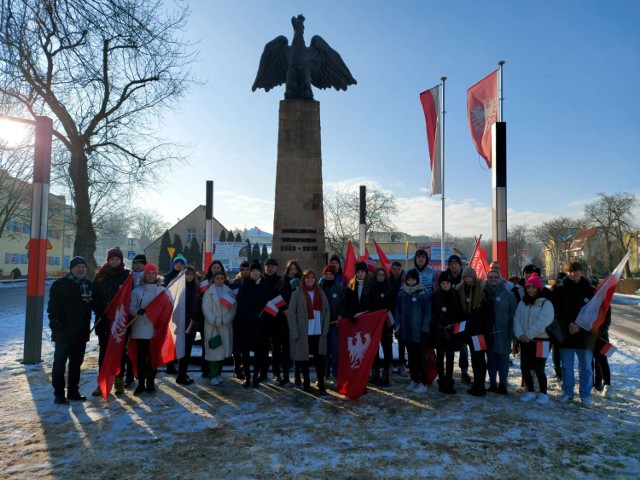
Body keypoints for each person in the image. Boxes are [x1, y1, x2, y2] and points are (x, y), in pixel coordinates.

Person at [49, 256, 92, 404]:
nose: (80, 269)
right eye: (77, 266)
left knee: (76, 364)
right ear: (71, 268)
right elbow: (53, 310)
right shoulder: (60, 284)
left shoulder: (87, 284)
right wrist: (56, 330)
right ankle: (59, 394)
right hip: (63, 332)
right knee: (59, 364)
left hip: (80, 333)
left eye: (83, 267)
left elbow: (92, 307)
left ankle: (73, 391)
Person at [552, 261, 596, 408]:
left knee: (586, 367)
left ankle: (585, 395)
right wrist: (569, 323)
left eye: (576, 271)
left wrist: (581, 326)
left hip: (585, 336)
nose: (573, 274)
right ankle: (568, 392)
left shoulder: (591, 291)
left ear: (581, 272)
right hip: (567, 334)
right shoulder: (560, 290)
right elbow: (557, 312)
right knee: (567, 366)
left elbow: (596, 313)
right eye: (570, 271)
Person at [90, 247, 130, 396]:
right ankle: (102, 382)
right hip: (103, 319)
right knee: (104, 352)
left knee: (120, 352)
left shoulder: (126, 276)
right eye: (112, 259)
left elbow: (129, 297)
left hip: (119, 321)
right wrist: (101, 309)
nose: (115, 261)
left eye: (117, 259)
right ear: (108, 260)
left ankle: (119, 380)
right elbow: (93, 297)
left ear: (121, 260)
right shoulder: (100, 276)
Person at [287, 269, 331, 394]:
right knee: (304, 360)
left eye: (312, 277)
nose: (310, 279)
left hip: (318, 330)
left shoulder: (320, 292)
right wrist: (294, 332)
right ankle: (306, 384)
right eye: (307, 277)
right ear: (303, 279)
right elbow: (291, 314)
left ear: (315, 279)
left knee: (319, 360)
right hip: (303, 332)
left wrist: (325, 327)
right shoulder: (297, 293)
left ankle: (321, 385)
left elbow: (327, 310)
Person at [513, 273, 554, 404]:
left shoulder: (546, 304)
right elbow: (516, 319)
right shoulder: (522, 303)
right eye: (529, 287)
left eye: (534, 287)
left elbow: (543, 322)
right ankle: (530, 390)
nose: (531, 290)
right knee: (525, 367)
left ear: (539, 288)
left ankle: (543, 393)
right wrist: (520, 334)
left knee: (539, 368)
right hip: (524, 340)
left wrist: (528, 335)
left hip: (542, 340)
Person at [129, 263, 165, 395]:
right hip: (140, 328)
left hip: (155, 330)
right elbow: (130, 308)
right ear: (144, 275)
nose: (151, 276)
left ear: (157, 275)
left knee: (153, 357)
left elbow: (167, 308)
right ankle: (140, 383)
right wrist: (138, 310)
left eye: (153, 273)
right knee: (141, 358)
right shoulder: (137, 291)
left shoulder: (162, 291)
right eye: (148, 273)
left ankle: (151, 382)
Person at [235, 260, 271, 387]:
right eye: (253, 271)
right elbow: (241, 304)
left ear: (260, 273)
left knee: (259, 353)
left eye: (257, 271)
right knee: (245, 352)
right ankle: (247, 376)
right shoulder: (245, 284)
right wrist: (250, 316)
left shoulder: (265, 285)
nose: (255, 273)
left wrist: (262, 317)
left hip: (261, 324)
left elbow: (268, 303)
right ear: (250, 273)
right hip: (246, 324)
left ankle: (256, 376)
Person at [458, 267, 493, 396]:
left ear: (474, 277)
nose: (468, 279)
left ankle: (480, 385)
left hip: (479, 332)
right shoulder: (461, 290)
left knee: (479, 359)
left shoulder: (481, 290)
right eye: (466, 277)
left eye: (470, 277)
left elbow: (488, 313)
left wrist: (485, 329)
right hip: (468, 332)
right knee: (473, 358)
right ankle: (477, 383)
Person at [394, 269, 430, 394]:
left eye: (413, 280)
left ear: (417, 281)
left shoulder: (423, 294)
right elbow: (397, 310)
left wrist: (425, 328)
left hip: (419, 332)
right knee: (411, 357)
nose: (411, 282)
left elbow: (427, 313)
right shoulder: (402, 294)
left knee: (420, 358)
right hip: (406, 331)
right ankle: (414, 379)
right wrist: (397, 326)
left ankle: (423, 382)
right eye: (409, 279)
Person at [484, 269, 517, 395]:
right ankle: (492, 383)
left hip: (503, 331)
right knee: (491, 358)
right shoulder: (483, 293)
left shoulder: (509, 295)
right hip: (488, 332)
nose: (493, 279)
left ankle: (503, 384)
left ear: (500, 278)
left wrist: (512, 333)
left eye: (495, 277)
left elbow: (513, 314)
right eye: (490, 277)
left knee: (503, 358)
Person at [202, 270, 237, 386]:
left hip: (225, 326)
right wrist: (216, 320)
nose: (220, 280)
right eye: (217, 278)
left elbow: (233, 308)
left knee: (222, 351)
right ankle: (212, 375)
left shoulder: (229, 292)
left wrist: (226, 319)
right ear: (214, 279)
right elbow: (206, 309)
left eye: (222, 278)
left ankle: (218, 374)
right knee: (213, 351)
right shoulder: (208, 293)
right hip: (212, 326)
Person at [430, 270, 462, 394]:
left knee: (450, 357)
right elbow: (432, 314)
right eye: (443, 283)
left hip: (452, 331)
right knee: (440, 358)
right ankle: (441, 380)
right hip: (439, 331)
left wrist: (453, 325)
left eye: (447, 283)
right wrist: (439, 325)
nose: (445, 285)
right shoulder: (435, 295)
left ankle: (449, 380)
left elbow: (459, 312)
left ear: (450, 283)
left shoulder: (455, 294)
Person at [444, 254, 472, 386]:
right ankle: (447, 372)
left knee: (463, 347)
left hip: (463, 318)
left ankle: (464, 372)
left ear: (460, 265)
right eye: (451, 263)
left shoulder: (465, 277)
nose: (453, 265)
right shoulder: (445, 277)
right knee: (447, 347)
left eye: (456, 263)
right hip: (448, 318)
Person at [176, 266, 204, 385]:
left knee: (188, 350)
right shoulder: (181, 288)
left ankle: (183, 372)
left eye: (191, 274)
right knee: (184, 351)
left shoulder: (195, 287)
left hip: (192, 323)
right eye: (187, 274)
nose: (189, 277)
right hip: (183, 323)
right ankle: (180, 375)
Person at [369, 267, 394, 386]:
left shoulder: (389, 289)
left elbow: (392, 306)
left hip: (386, 324)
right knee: (374, 349)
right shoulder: (371, 289)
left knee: (387, 348)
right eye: (378, 275)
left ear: (385, 276)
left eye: (382, 275)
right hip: (374, 323)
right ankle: (375, 372)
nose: (380, 277)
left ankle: (385, 373)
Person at [320, 264, 346, 381]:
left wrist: (341, 315)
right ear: (323, 275)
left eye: (330, 274)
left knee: (335, 352)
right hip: (321, 326)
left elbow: (345, 304)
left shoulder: (340, 288)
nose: (328, 276)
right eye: (326, 274)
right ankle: (324, 374)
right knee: (323, 352)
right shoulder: (318, 289)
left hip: (335, 325)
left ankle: (336, 374)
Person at [279, 260, 302, 386]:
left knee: (297, 349)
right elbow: (277, 297)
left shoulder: (302, 282)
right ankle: (286, 375)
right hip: (285, 319)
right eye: (291, 269)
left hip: (299, 319)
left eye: (295, 269)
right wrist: (284, 309)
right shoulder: (282, 282)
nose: (293, 271)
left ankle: (298, 375)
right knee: (286, 349)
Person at [589, 276, 613, 398]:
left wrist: (597, 333)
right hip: (589, 337)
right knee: (590, 362)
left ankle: (606, 384)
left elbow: (607, 322)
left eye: (595, 287)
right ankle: (594, 383)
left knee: (602, 361)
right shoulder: (587, 301)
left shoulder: (605, 302)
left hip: (602, 337)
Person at [263, 258, 281, 381]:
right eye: (268, 266)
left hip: (276, 319)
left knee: (276, 348)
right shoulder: (260, 280)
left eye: (273, 267)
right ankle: (263, 372)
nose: (270, 269)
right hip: (263, 319)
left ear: (276, 268)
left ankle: (276, 372)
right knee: (263, 347)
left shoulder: (280, 281)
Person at [388, 261, 408, 377]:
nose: (396, 271)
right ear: (391, 270)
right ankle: (390, 363)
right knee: (388, 340)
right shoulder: (388, 281)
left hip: (402, 314)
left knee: (402, 341)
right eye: (394, 269)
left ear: (401, 270)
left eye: (398, 269)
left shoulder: (405, 282)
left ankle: (401, 364)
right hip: (390, 313)